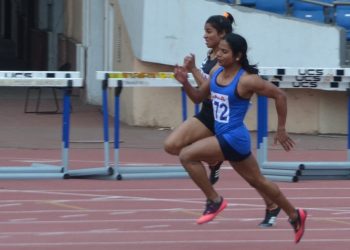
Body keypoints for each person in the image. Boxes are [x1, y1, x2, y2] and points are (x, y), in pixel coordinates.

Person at [173, 33, 307, 243]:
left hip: (233, 136)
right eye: (218, 50)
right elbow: (199, 97)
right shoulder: (216, 72)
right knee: (259, 181)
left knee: (187, 155)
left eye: (224, 52)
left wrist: (281, 129)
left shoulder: (247, 80)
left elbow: (280, 95)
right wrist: (185, 83)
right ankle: (294, 214)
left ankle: (214, 200)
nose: (218, 55)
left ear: (238, 56)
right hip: (229, 137)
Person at [164, 12, 281, 228]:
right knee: (172, 145)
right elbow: (202, 93)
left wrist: (193, 70)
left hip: (225, 120)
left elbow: (208, 89)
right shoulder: (212, 55)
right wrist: (188, 77)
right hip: (209, 115)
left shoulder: (226, 61)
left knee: (251, 175)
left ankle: (271, 204)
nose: (204, 36)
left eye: (209, 32)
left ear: (223, 34)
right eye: (205, 31)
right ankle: (213, 161)